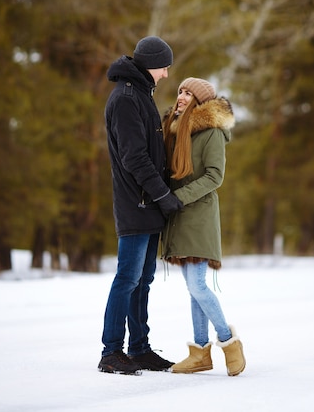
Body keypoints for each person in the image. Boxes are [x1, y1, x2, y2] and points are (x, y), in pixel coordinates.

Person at [98, 36, 183, 376]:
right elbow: (134, 157)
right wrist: (162, 194)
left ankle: (139, 348)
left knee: (143, 279)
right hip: (137, 202)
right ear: (152, 64)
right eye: (164, 67)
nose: (165, 75)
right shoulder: (126, 99)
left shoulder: (140, 95)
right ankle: (111, 351)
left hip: (148, 204)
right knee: (127, 278)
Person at [161, 77, 246, 377]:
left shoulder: (211, 132)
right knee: (193, 288)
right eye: (180, 91)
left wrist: (177, 198)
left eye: (188, 93)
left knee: (197, 285)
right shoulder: (174, 130)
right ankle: (199, 353)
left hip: (198, 216)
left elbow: (214, 176)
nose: (181, 97)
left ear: (200, 102)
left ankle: (228, 342)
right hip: (179, 216)